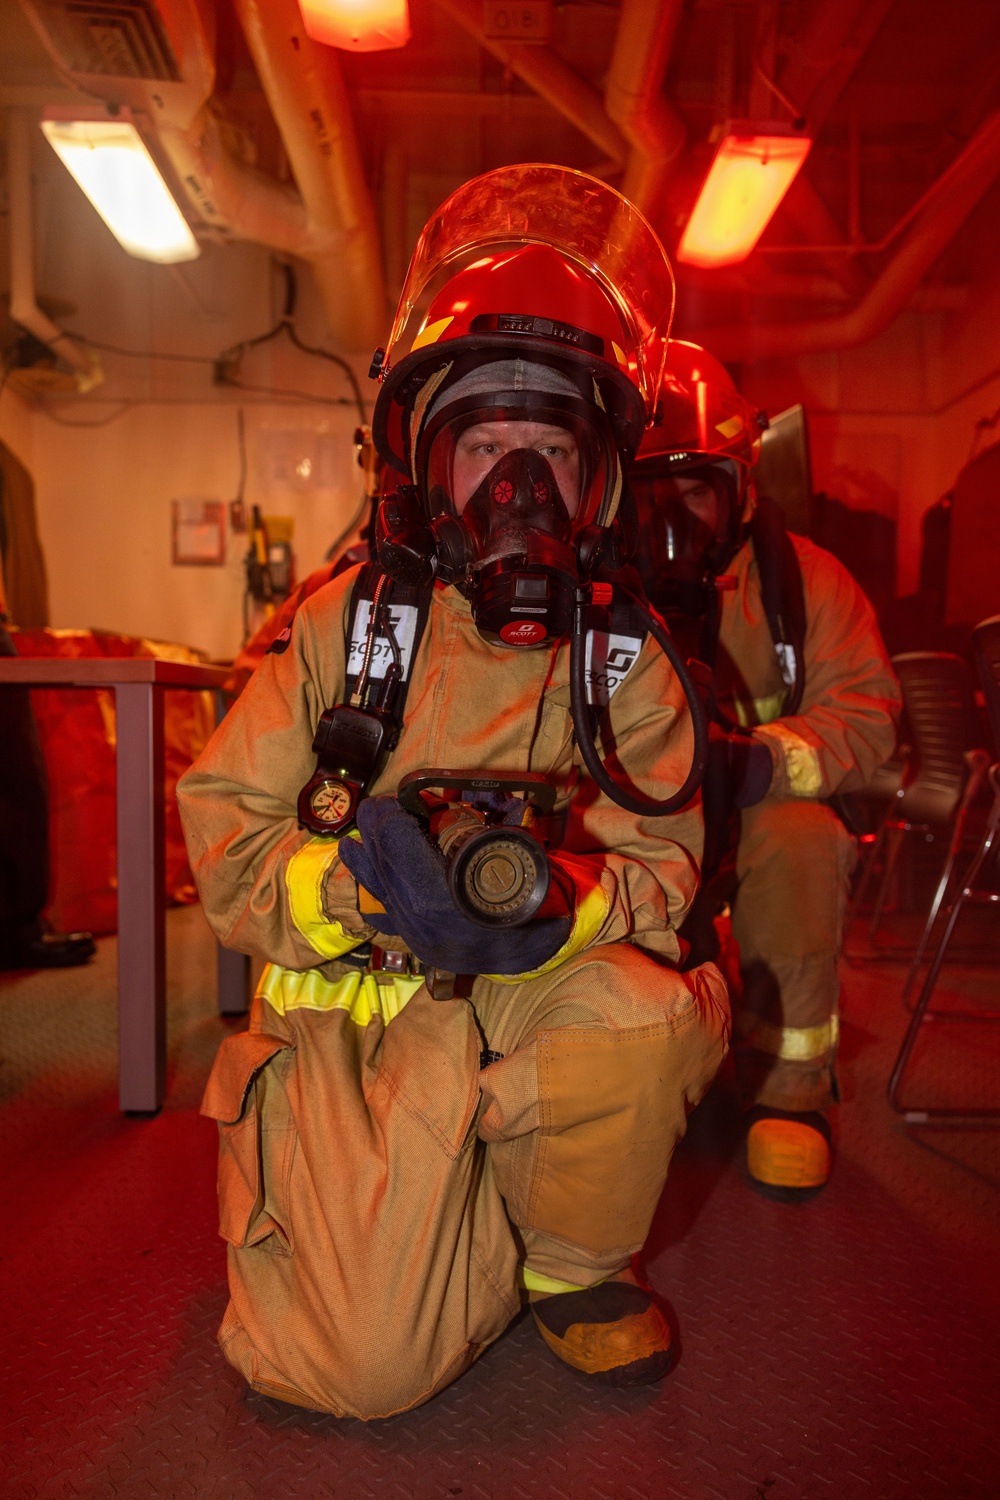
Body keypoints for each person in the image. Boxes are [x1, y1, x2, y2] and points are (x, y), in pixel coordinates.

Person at [178, 166, 729, 1420]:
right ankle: (459, 1195)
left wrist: (564, 905)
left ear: (594, 483)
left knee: (643, 1021)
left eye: (548, 453)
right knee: (359, 1377)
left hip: (532, 991)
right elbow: (222, 841)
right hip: (361, 1013)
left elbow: (668, 861)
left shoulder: (625, 663)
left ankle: (570, 1265)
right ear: (430, 467)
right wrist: (361, 891)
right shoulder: (344, 631)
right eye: (487, 448)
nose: (516, 493)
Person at [629, 340, 901, 1202]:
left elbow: (868, 717)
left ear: (741, 487)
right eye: (649, 492)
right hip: (632, 815)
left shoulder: (806, 585)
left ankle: (791, 1091)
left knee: (802, 839)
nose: (672, 514)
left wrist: (755, 766)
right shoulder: (591, 595)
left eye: (696, 489)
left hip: (751, 813)